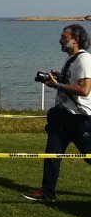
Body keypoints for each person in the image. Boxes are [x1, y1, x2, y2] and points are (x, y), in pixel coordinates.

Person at [22, 24, 91, 202]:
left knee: (89, 156)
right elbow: (72, 82)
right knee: (52, 154)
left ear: (75, 40)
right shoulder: (71, 59)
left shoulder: (84, 60)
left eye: (64, 37)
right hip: (63, 116)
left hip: (79, 118)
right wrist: (58, 78)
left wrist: (58, 85)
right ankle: (47, 193)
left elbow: (84, 90)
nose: (60, 40)